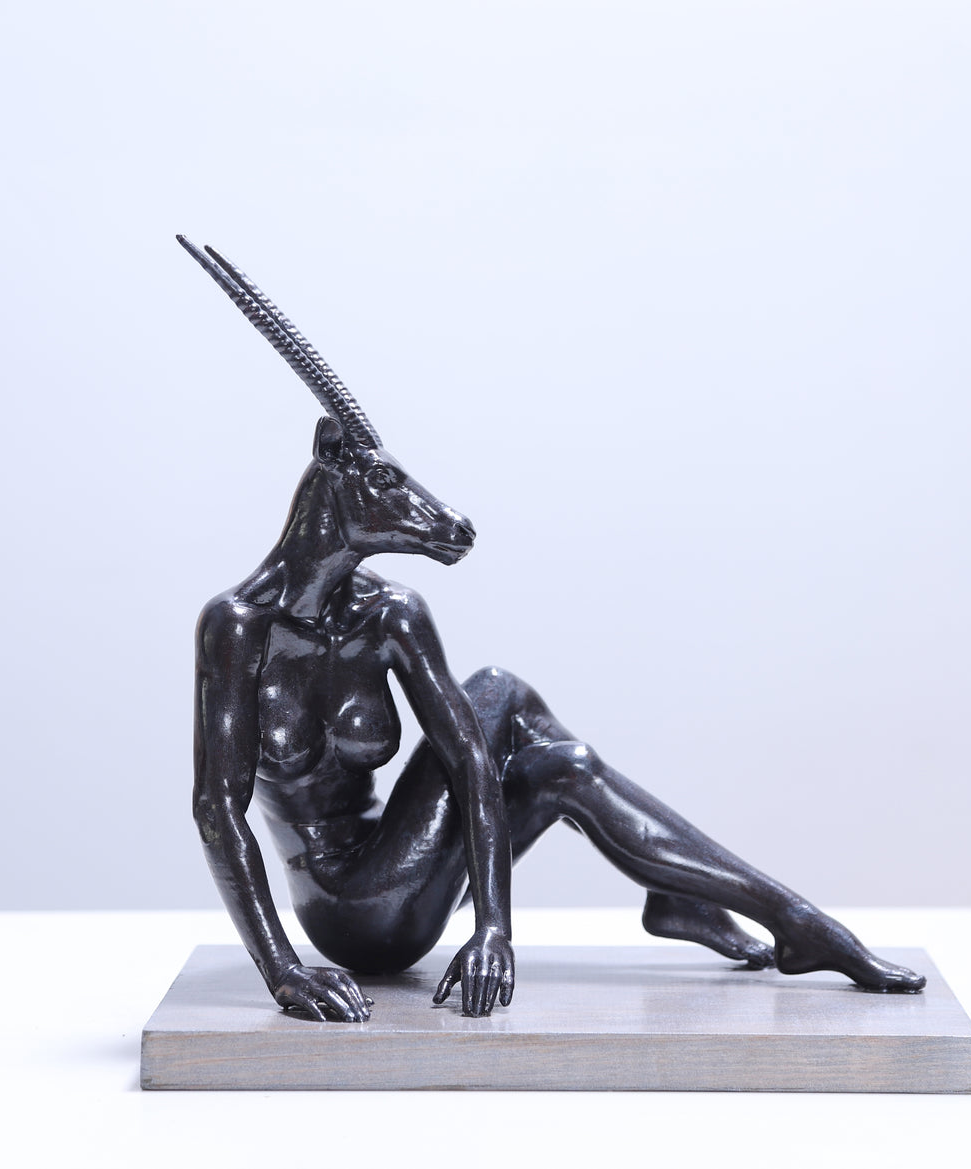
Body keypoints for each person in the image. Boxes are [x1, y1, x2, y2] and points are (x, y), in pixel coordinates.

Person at [182, 236, 926, 1020]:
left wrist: (493, 930)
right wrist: (285, 973)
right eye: (390, 488)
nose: (431, 513)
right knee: (521, 715)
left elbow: (470, 761)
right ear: (333, 469)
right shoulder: (238, 627)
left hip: (407, 873)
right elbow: (216, 810)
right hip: (350, 911)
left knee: (545, 748)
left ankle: (769, 913)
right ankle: (737, 907)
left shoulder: (389, 613)